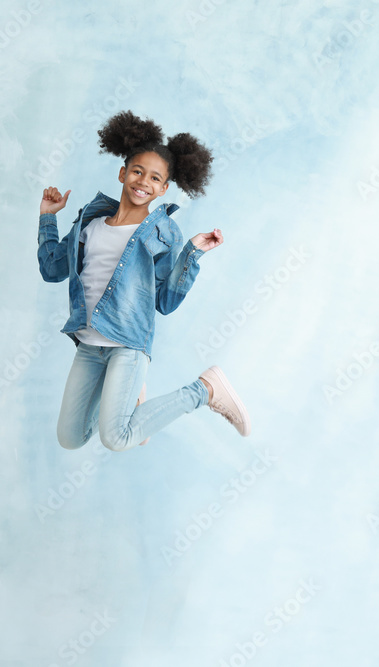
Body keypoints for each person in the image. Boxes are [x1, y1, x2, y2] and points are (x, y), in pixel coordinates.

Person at [37, 110, 250, 452]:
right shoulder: (89, 223)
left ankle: (204, 389)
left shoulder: (162, 231)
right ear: (123, 173)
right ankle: (136, 406)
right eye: (137, 171)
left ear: (164, 188)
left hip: (128, 344)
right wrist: (48, 217)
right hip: (89, 346)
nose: (143, 182)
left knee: (117, 437)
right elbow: (51, 269)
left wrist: (191, 254)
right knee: (70, 438)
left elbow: (164, 302)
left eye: (154, 178)